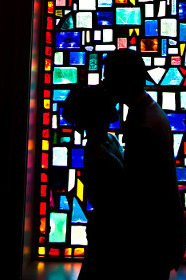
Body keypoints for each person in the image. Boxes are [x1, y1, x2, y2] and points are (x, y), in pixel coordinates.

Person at [103, 49, 186, 280]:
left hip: (151, 238)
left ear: (124, 79)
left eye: (109, 77)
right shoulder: (148, 110)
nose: (106, 84)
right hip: (160, 233)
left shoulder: (143, 126)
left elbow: (140, 190)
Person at [62, 84, 124, 280]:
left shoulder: (110, 141)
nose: (114, 104)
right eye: (108, 103)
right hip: (109, 232)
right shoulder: (99, 152)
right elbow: (102, 196)